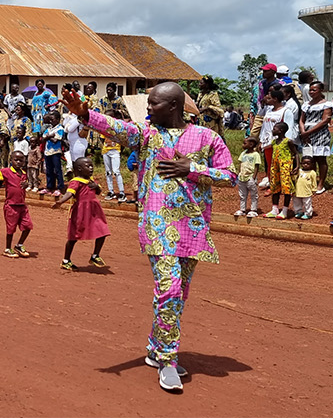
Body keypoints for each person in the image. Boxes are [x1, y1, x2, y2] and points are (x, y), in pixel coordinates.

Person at [65, 83, 236, 392]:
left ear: (173, 106)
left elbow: (230, 176)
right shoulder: (146, 135)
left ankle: (156, 349)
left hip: (193, 227)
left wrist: (192, 168)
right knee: (170, 290)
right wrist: (85, 114)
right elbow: (118, 129)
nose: (148, 109)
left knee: (177, 294)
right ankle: (168, 360)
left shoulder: (208, 138)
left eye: (154, 104)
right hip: (157, 225)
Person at [49, 157, 109, 271]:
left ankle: (95, 255)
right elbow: (69, 193)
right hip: (81, 212)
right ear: (80, 169)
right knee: (73, 237)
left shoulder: (91, 180)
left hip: (94, 212)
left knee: (103, 231)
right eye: (88, 166)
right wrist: (61, 201)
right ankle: (66, 260)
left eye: (92, 166)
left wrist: (97, 187)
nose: (91, 168)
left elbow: (99, 191)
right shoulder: (76, 182)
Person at [234, 136, 263, 218]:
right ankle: (242, 209)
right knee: (242, 194)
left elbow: (257, 166)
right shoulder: (242, 154)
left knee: (253, 194)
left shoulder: (256, 154)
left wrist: (254, 177)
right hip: (242, 177)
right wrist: (239, 173)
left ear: (251, 144)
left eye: (244, 143)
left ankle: (253, 210)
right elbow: (240, 164)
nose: (243, 145)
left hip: (250, 177)